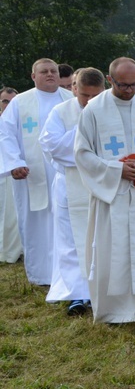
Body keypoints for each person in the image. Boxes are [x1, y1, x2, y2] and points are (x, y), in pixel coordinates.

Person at [74, 57, 135, 330]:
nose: (129, 90)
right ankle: (115, 310)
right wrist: (116, 170)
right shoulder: (94, 110)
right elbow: (82, 153)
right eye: (123, 85)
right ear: (110, 79)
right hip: (112, 197)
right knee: (112, 251)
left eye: (134, 85)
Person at [0, 58, 73, 285]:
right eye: (44, 71)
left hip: (65, 173)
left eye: (53, 71)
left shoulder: (70, 100)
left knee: (65, 222)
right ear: (33, 76)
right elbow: (6, 134)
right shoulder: (20, 102)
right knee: (36, 223)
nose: (50, 74)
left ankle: (68, 273)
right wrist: (14, 163)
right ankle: (41, 274)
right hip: (31, 174)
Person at [41, 68, 105, 316]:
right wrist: (83, 132)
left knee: (101, 238)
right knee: (71, 241)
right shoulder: (60, 112)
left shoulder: (108, 110)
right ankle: (77, 294)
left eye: (95, 96)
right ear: (74, 88)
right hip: (71, 182)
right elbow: (52, 145)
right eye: (84, 95)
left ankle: (102, 289)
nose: (89, 101)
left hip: (102, 181)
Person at [0, 88, 22, 264]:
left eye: (12, 101)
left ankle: (16, 249)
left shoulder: (21, 122)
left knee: (13, 213)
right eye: (5, 101)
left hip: (13, 173)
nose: (8, 104)